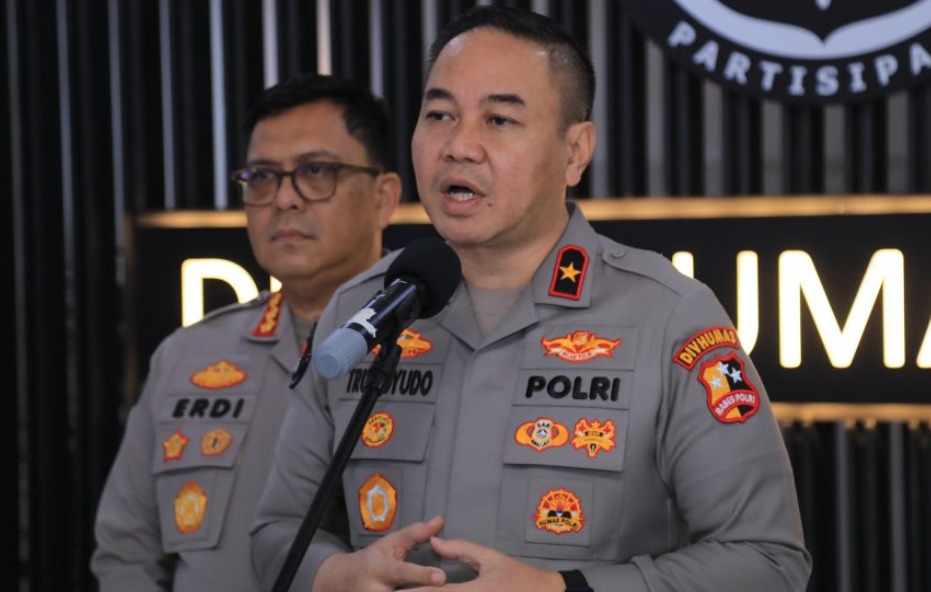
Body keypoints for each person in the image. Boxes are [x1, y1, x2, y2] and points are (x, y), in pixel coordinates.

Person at [251, 7, 811, 592]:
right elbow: (275, 532)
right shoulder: (363, 312)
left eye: (499, 119)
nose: (459, 146)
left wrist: (561, 588)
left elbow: (767, 561)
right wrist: (337, 574)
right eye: (440, 115)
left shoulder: (669, 316)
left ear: (575, 152)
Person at [91, 73, 402, 591]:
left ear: (383, 197)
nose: (284, 200)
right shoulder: (189, 356)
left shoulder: (440, 344)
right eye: (261, 177)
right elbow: (127, 552)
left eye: (316, 171)